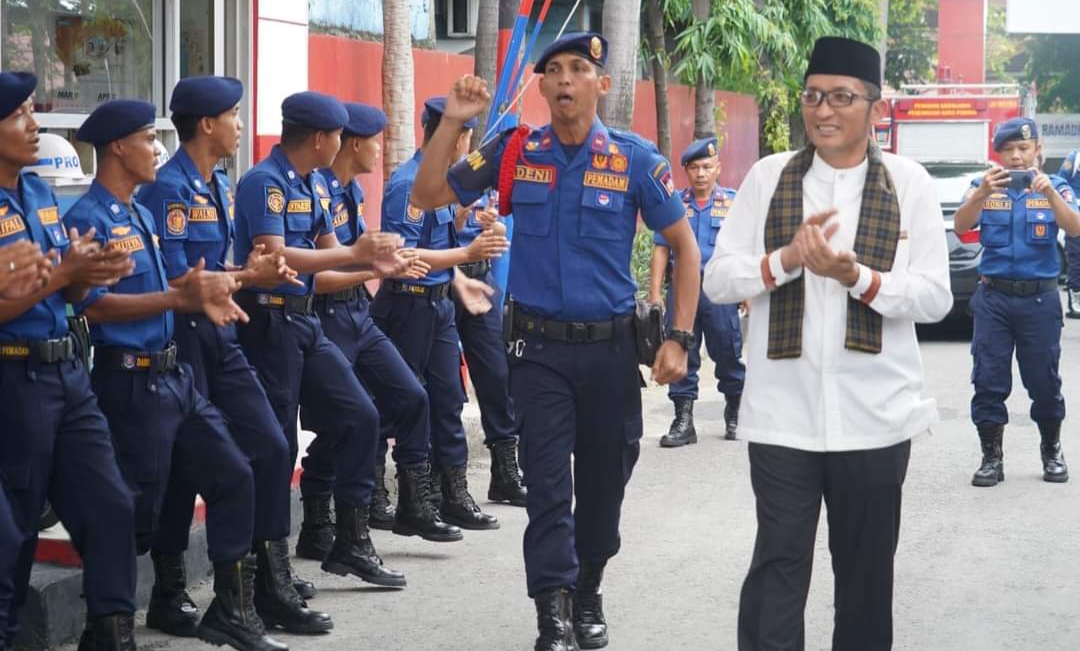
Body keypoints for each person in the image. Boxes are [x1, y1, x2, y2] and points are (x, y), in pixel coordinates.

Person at [410, 33, 700, 651]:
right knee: (546, 487)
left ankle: (588, 584)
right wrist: (453, 124)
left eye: (579, 69)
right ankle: (553, 613)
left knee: (604, 484)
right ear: (542, 86)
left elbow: (685, 245)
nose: (566, 79)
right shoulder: (516, 150)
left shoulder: (634, 158)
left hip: (612, 352)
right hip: (538, 354)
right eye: (555, 70)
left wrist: (677, 337)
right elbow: (427, 194)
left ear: (602, 84)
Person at [704, 37, 952, 651]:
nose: (824, 111)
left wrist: (858, 277)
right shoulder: (768, 179)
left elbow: (934, 297)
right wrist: (785, 259)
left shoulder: (908, 183)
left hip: (876, 418)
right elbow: (718, 280)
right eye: (814, 96)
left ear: (875, 106)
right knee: (776, 573)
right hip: (782, 417)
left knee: (865, 581)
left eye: (842, 97)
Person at [67, 99, 288, 651]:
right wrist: (178, 296)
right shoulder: (87, 220)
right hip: (129, 382)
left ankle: (232, 610)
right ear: (118, 146)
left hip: (174, 376)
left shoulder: (140, 213)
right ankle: (108, 627)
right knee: (131, 514)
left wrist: (241, 275)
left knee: (235, 472)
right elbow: (91, 306)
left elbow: (183, 288)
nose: (156, 148)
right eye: (147, 138)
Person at [134, 75, 315, 638]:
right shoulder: (168, 189)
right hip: (185, 336)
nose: (241, 125)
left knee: (270, 440)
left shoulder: (218, 183)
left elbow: (222, 275)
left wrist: (250, 275)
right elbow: (186, 281)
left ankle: (254, 581)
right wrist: (248, 275)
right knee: (186, 465)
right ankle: (173, 592)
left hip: (223, 336)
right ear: (207, 124)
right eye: (234, 115)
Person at [232, 91, 413, 618]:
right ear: (320, 138)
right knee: (277, 445)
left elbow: (328, 262)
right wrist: (358, 254)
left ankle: (349, 542)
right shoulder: (264, 183)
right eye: (338, 135)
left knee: (361, 415)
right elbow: (274, 253)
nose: (342, 143)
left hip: (305, 319)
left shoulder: (312, 183)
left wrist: (372, 265)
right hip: (267, 321)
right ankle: (271, 572)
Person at [0, 71, 140, 651]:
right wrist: (64, 274)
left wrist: (90, 276)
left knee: (111, 504)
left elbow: (63, 289)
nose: (34, 125)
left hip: (67, 371)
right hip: (16, 374)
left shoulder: (36, 192)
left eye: (34, 111)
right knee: (16, 530)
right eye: (19, 115)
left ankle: (111, 634)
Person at [295, 101, 461, 568]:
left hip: (358, 314)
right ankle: (321, 526)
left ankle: (413, 503)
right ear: (352, 144)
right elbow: (317, 276)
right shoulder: (318, 191)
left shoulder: (349, 192)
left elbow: (356, 258)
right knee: (342, 424)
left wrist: (381, 262)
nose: (380, 150)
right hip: (325, 317)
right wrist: (376, 265)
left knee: (413, 396)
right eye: (375, 142)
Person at [374, 96, 507, 532]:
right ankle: (384, 495)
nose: (467, 145)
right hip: (407, 303)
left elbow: (437, 245)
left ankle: (452, 493)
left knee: (449, 401)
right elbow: (406, 255)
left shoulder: (446, 186)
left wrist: (460, 274)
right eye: (463, 134)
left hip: (438, 303)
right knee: (400, 401)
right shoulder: (409, 185)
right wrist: (465, 254)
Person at [955, 118, 1079, 487]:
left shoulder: (1055, 186)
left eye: (1024, 149)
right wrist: (980, 195)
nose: (1017, 156)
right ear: (999, 153)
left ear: (1037, 150)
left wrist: (1052, 194)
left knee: (1043, 380)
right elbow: (962, 225)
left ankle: (1051, 449)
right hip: (993, 297)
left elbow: (1074, 228)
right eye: (1009, 150)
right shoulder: (984, 185)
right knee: (988, 379)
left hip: (1039, 299)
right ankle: (991, 457)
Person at [649, 136, 745, 447]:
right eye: (694, 168)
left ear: (718, 168)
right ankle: (683, 419)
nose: (701, 174)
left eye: (706, 167)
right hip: (682, 290)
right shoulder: (675, 204)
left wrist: (747, 289)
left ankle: (735, 409)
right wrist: (655, 294)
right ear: (686, 172)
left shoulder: (733, 203)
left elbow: (746, 248)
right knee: (682, 350)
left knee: (728, 350)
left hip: (720, 291)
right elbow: (661, 250)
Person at [453, 196, 527, 506]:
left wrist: (494, 225)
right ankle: (444, 481)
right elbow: (437, 233)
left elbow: (499, 232)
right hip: (445, 278)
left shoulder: (481, 177)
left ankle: (505, 473)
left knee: (498, 374)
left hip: (480, 276)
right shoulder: (430, 181)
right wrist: (461, 213)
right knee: (445, 384)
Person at [1057, 150, 1080, 318]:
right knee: (1077, 259)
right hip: (1076, 216)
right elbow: (1061, 183)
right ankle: (1075, 304)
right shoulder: (1075, 158)